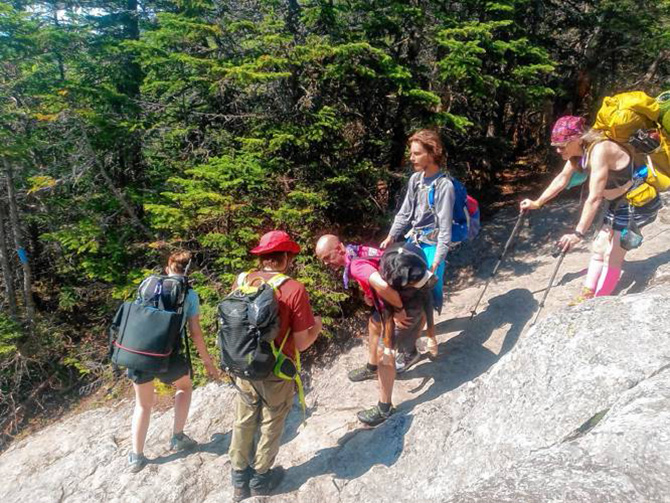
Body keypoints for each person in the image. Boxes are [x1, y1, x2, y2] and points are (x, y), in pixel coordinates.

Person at [520, 116, 662, 303]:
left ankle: (599, 301)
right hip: (617, 204)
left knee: (613, 255)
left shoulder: (599, 151)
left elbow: (594, 198)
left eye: (562, 145)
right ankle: (588, 294)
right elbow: (562, 179)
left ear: (578, 139)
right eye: (555, 145)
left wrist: (578, 234)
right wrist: (538, 202)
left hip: (635, 205)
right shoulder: (580, 153)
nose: (557, 150)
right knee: (598, 248)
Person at [229, 230, 322, 501]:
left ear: (263, 257)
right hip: (277, 369)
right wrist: (317, 326)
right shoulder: (293, 289)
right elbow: (302, 343)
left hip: (244, 364)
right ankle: (260, 480)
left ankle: (238, 480)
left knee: (244, 420)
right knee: (271, 422)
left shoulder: (243, 280)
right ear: (284, 258)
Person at [315, 235, 437, 426]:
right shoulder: (357, 250)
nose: (326, 264)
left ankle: (384, 407)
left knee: (385, 356)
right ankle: (373, 367)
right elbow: (378, 271)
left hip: (405, 303)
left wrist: (398, 309)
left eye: (327, 258)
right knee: (373, 324)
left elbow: (382, 285)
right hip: (401, 298)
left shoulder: (355, 265)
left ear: (339, 248)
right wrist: (368, 295)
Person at [127, 251, 219, 473]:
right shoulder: (190, 295)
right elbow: (195, 333)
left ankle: (136, 456)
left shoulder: (148, 284)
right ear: (189, 272)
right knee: (184, 387)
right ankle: (178, 436)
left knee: (143, 404)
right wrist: (208, 363)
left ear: (168, 267)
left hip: (138, 352)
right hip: (167, 355)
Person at [380, 129, 456, 314]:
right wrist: (391, 236)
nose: (412, 158)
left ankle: (429, 326)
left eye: (417, 153)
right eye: (411, 153)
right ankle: (413, 324)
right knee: (407, 284)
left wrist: (437, 262)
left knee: (429, 287)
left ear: (431, 154)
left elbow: (445, 228)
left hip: (433, 243)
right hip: (414, 241)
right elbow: (405, 212)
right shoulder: (416, 180)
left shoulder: (445, 186)